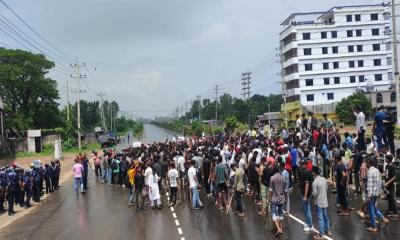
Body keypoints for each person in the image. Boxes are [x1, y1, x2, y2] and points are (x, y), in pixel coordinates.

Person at [366, 158, 389, 232]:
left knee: (370, 209)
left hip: (372, 193)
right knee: (374, 207)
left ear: (369, 163)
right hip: (377, 192)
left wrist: (369, 195)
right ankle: (383, 219)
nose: (366, 163)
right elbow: (381, 181)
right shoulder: (377, 170)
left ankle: (374, 226)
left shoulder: (370, 171)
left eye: (366, 162)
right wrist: (383, 190)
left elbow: (369, 184)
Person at [311, 166, 333, 239]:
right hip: (325, 201)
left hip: (319, 202)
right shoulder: (323, 179)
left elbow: (314, 194)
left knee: (320, 218)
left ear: (314, 173)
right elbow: (326, 188)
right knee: (325, 216)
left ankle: (321, 234)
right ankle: (328, 230)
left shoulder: (315, 182)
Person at [268, 164, 285, 237]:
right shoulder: (283, 177)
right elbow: (284, 188)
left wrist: (269, 198)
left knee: (273, 213)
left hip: (274, 199)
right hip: (281, 198)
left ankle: (278, 228)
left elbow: (271, 190)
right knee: (281, 213)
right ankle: (280, 229)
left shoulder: (272, 178)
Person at [299, 160, 314, 231]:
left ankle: (310, 225)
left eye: (302, 165)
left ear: (305, 165)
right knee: (305, 208)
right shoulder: (307, 172)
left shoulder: (307, 173)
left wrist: (305, 196)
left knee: (307, 209)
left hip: (306, 194)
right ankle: (308, 223)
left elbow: (307, 184)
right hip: (306, 193)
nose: (301, 166)